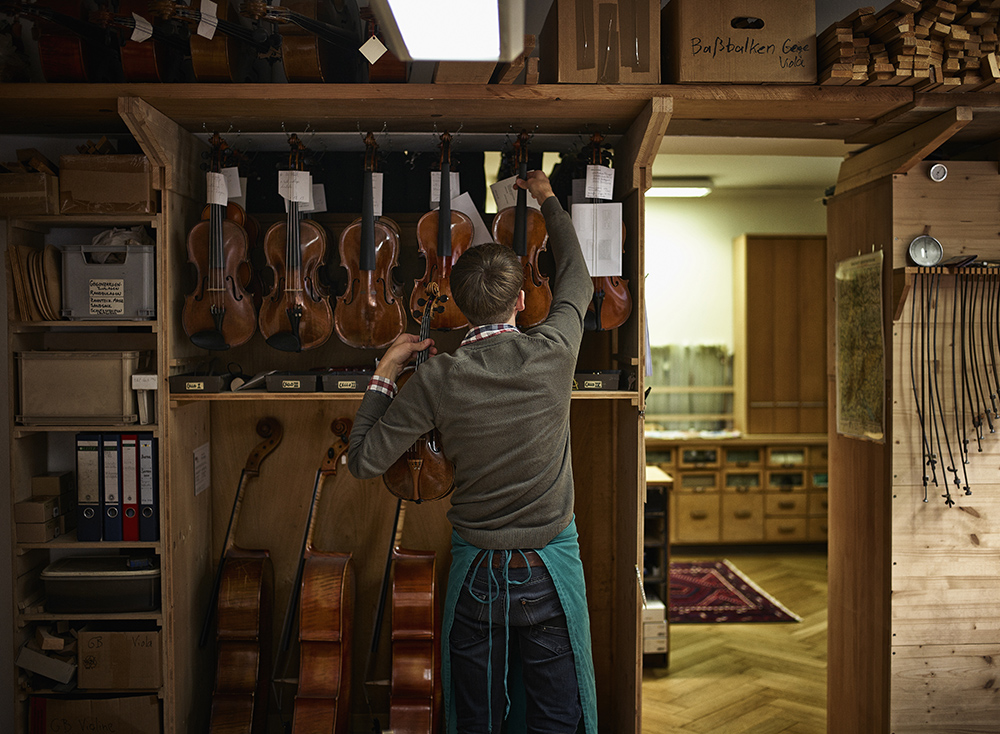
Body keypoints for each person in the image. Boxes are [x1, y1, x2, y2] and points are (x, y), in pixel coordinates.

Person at [348, 170, 598, 734]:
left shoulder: (436, 378)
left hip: (478, 574)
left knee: (479, 719)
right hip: (549, 569)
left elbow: (362, 460)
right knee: (557, 717)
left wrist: (386, 372)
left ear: (458, 307)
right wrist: (547, 199)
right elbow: (577, 278)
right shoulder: (555, 349)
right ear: (519, 300)